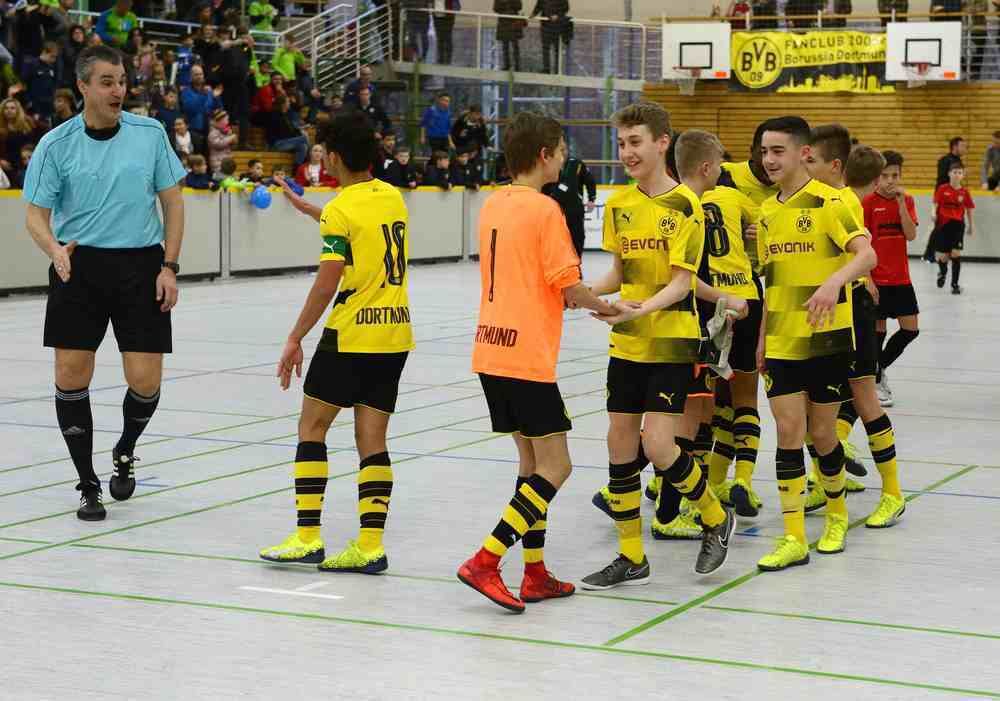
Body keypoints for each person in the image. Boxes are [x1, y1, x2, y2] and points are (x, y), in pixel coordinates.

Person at [456, 111, 617, 613]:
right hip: (526, 354)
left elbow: (540, 281)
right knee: (558, 466)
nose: (566, 158)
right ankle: (487, 559)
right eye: (563, 149)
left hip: (491, 348)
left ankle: (535, 573)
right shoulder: (546, 210)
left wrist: (579, 298)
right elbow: (568, 285)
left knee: (531, 467)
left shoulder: (493, 204)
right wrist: (612, 308)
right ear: (544, 156)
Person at [22, 45, 187, 522]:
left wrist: (169, 266)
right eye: (108, 82)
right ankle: (87, 482)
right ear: (84, 87)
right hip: (79, 265)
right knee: (72, 376)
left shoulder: (150, 134)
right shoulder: (56, 144)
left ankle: (125, 448)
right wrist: (54, 250)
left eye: (121, 81)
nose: (119, 90)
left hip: (141, 265)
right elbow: (35, 213)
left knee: (145, 381)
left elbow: (173, 203)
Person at [583, 102, 738, 589]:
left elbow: (681, 284)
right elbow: (618, 272)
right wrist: (586, 292)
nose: (627, 152)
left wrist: (640, 309)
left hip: (671, 338)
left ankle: (714, 516)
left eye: (636, 142)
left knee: (659, 444)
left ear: (662, 143)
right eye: (622, 143)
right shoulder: (619, 204)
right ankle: (632, 555)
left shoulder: (687, 206)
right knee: (619, 442)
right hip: (627, 340)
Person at [259, 111, 415, 574]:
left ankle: (307, 536)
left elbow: (328, 282)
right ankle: (369, 546)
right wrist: (307, 207)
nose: (321, 155)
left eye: (325, 149)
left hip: (350, 335)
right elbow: (353, 225)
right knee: (373, 440)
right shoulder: (392, 197)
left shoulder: (342, 210)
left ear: (340, 156)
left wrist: (294, 337)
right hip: (394, 334)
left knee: (312, 428)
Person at [754, 116, 876, 571]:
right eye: (765, 151)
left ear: (804, 153)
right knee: (788, 431)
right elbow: (772, 281)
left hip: (826, 339)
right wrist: (763, 337)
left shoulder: (831, 202)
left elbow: (866, 253)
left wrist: (833, 283)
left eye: (778, 151)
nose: (769, 160)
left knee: (822, 434)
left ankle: (837, 516)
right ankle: (793, 538)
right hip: (784, 339)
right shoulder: (767, 212)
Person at [803, 127, 905, 529]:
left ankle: (893, 493)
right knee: (819, 403)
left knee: (864, 397)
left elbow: (867, 255)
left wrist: (846, 281)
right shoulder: (810, 200)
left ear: (834, 165)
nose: (803, 165)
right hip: (825, 311)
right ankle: (825, 477)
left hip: (852, 307)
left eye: (810, 160)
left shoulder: (843, 200)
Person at [864, 150, 919, 407]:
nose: (889, 180)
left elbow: (910, 236)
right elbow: (862, 245)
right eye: (884, 175)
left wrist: (900, 206)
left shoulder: (906, 200)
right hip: (876, 279)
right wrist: (868, 279)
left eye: (894, 176)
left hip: (901, 279)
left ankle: (879, 368)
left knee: (910, 330)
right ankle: (875, 380)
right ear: (877, 177)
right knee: (878, 333)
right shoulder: (866, 203)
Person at [540, 154, 596, 257]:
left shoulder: (576, 164)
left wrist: (591, 198)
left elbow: (590, 181)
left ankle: (576, 266)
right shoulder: (547, 164)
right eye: (560, 149)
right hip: (554, 212)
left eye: (563, 149)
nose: (562, 152)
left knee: (577, 240)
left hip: (574, 211)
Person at [933, 163, 975, 294]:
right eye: (955, 172)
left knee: (956, 253)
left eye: (959, 172)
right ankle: (942, 273)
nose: (957, 175)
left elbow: (969, 209)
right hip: (943, 225)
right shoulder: (942, 189)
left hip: (958, 225)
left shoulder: (964, 192)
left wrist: (971, 225)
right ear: (949, 174)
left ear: (962, 175)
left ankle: (955, 285)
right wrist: (933, 214)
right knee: (943, 256)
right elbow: (935, 203)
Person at [262, 94, 309, 166]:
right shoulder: (274, 115)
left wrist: (300, 129)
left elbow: (289, 132)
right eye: (288, 102)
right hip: (276, 144)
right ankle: (311, 161)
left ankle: (296, 169)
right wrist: (299, 131)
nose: (289, 103)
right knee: (304, 137)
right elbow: (280, 133)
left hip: (285, 142)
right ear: (283, 104)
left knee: (303, 146)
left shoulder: (286, 115)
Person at [180, 64, 222, 135]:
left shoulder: (208, 90)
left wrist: (216, 98)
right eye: (196, 74)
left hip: (210, 129)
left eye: (201, 74)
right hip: (194, 130)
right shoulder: (186, 92)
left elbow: (218, 108)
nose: (199, 76)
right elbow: (191, 109)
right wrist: (203, 95)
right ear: (191, 76)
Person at [531, 0, 571, 74]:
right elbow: (539, 6)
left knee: (557, 49)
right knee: (545, 48)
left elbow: (566, 8)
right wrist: (532, 15)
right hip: (545, 26)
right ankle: (546, 69)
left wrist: (558, 15)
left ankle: (557, 69)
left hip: (557, 26)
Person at [494, 0, 524, 71]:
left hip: (514, 22)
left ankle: (517, 65)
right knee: (505, 46)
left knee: (515, 46)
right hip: (503, 23)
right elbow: (495, 8)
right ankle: (506, 65)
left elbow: (519, 7)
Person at [207, 108, 237, 175]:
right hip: (218, 163)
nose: (227, 122)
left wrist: (233, 140)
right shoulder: (213, 132)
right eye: (226, 120)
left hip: (226, 163)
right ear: (219, 121)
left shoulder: (224, 132)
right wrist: (230, 138)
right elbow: (218, 144)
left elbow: (231, 146)